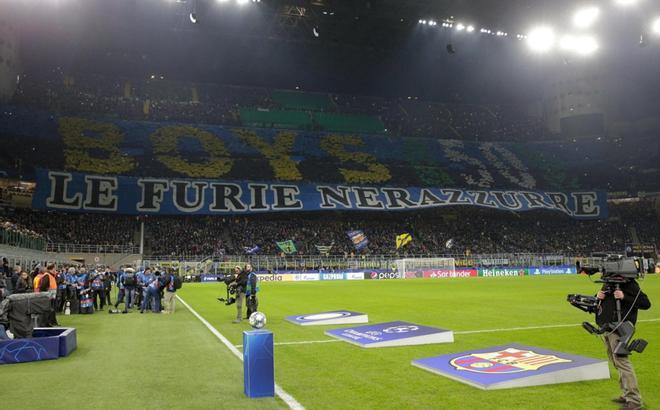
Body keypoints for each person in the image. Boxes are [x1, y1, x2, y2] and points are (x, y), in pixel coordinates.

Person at [596, 277, 651, 410]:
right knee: (616, 361)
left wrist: (624, 296)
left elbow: (646, 303)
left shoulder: (630, 284)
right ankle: (627, 394)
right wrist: (598, 296)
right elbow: (608, 302)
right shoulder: (608, 282)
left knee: (622, 361)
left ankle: (635, 401)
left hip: (621, 327)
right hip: (608, 326)